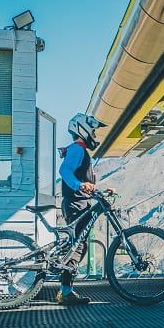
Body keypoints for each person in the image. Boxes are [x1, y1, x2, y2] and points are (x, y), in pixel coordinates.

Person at [57, 113, 107, 305]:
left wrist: (99, 191)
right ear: (83, 130)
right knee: (77, 246)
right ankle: (66, 292)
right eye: (93, 131)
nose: (95, 135)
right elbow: (64, 171)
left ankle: (66, 289)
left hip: (79, 202)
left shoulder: (81, 151)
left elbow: (83, 182)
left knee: (78, 244)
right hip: (76, 203)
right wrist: (79, 185)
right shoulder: (78, 149)